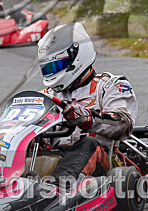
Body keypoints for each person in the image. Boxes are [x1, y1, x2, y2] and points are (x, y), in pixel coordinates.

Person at [37, 22, 137, 184]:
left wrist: (88, 119)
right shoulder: (46, 96)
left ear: (77, 57)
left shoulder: (110, 85)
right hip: (54, 158)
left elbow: (122, 123)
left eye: (56, 65)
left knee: (89, 143)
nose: (53, 72)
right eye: (48, 68)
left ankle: (56, 188)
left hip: (99, 160)